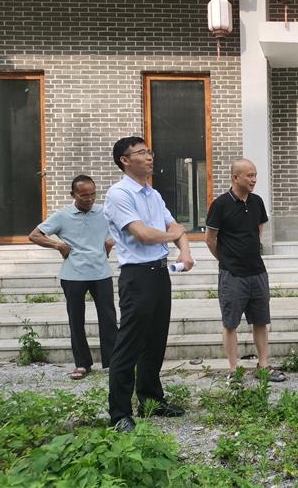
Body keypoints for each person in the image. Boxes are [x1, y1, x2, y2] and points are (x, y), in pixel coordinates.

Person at [104, 136, 194, 433]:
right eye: (142, 153)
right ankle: (120, 414)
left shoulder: (152, 194)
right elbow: (143, 234)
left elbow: (175, 226)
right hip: (137, 276)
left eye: (150, 152)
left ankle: (151, 400)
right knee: (129, 344)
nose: (150, 157)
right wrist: (173, 236)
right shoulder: (119, 194)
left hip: (159, 274)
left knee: (155, 341)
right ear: (125, 160)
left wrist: (185, 251)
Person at [29, 175, 118, 381]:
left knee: (108, 318)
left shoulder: (105, 212)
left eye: (93, 194)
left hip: (101, 273)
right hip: (73, 275)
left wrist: (111, 241)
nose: (90, 199)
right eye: (84, 195)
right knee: (76, 320)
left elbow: (124, 230)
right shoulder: (62, 215)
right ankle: (82, 363)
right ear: (73, 195)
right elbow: (34, 235)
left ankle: (114, 362)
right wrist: (58, 245)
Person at [205, 158, 286, 383]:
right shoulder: (220, 205)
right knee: (230, 323)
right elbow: (210, 239)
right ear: (235, 177)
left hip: (257, 272)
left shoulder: (257, 202)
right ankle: (234, 370)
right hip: (232, 275)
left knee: (260, 320)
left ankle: (264, 365)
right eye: (249, 175)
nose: (254, 179)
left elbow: (258, 231)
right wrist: (226, 260)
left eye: (255, 175)